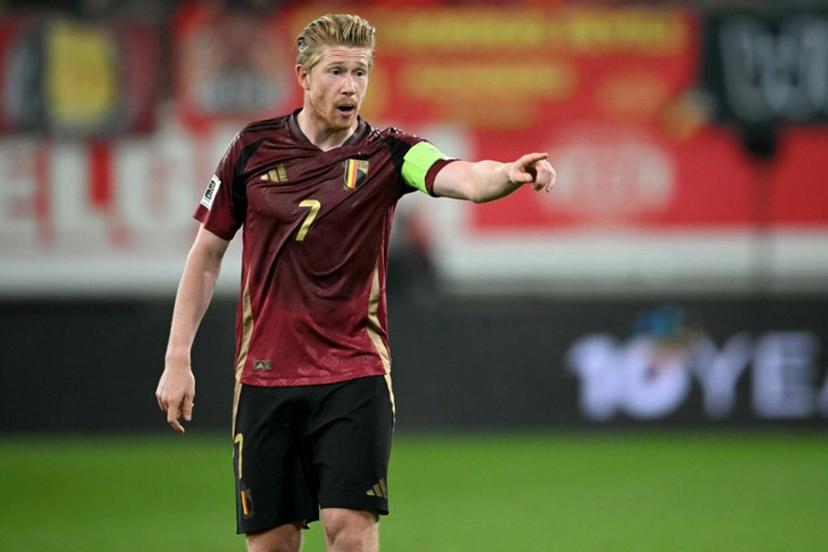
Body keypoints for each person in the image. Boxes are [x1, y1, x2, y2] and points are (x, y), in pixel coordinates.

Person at [155, 12, 555, 552]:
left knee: (350, 531)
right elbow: (206, 255)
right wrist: (177, 357)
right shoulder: (251, 149)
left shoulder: (390, 152)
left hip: (354, 371)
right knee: (271, 544)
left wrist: (507, 173)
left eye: (360, 72)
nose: (351, 86)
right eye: (337, 71)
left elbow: (460, 176)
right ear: (303, 75)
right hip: (265, 376)